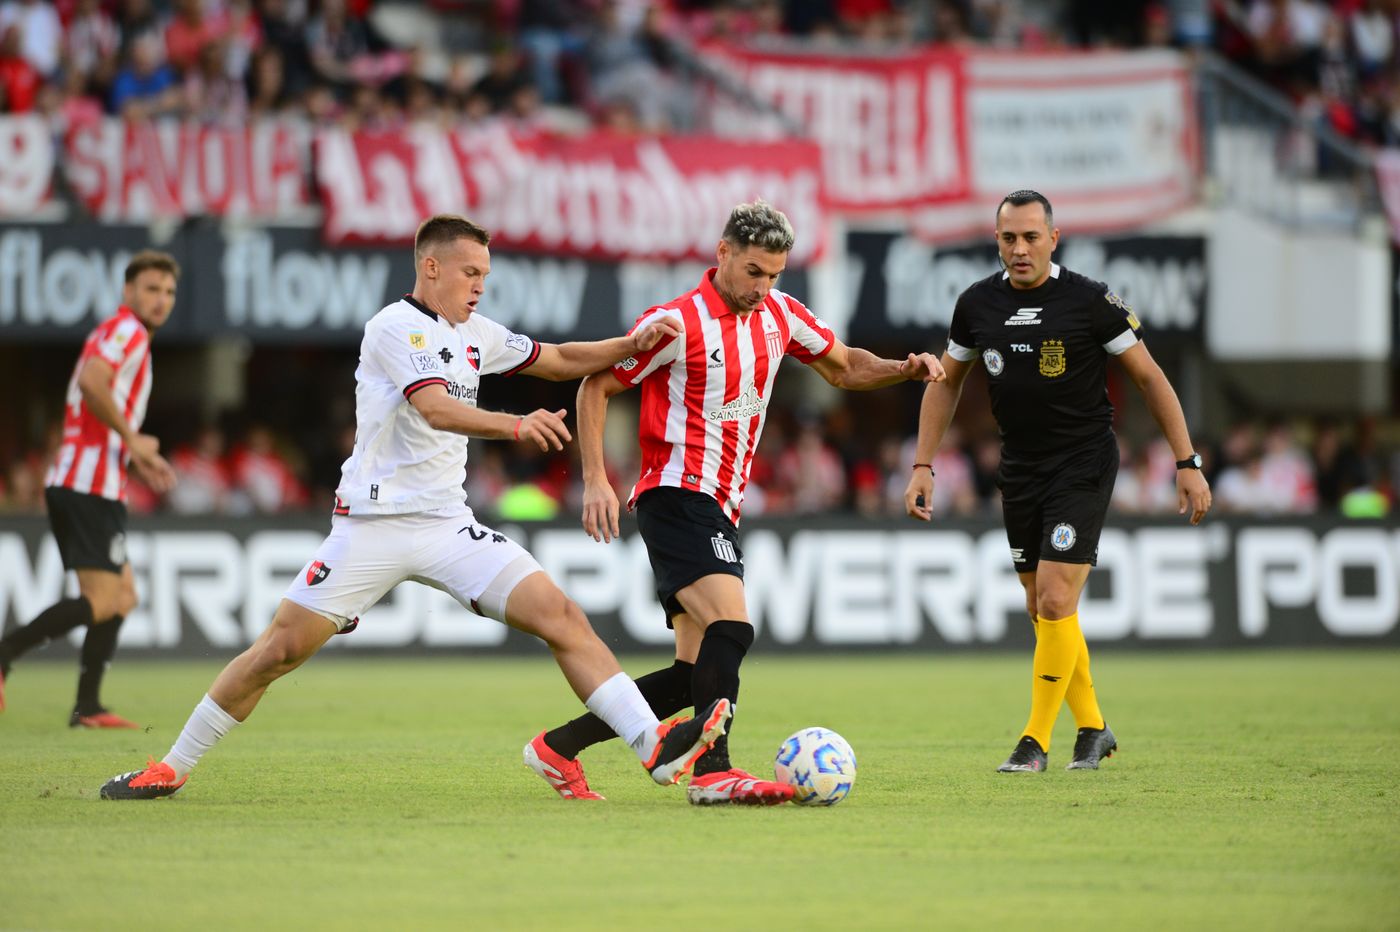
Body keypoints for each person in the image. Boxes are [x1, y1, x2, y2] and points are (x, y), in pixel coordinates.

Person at [99, 214, 729, 800]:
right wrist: (514, 426)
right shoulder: (393, 327)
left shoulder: (477, 333)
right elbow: (434, 407)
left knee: (562, 616)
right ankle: (170, 767)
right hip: (372, 526)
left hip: (447, 525)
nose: (481, 286)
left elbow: (560, 360)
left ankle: (654, 746)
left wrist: (633, 341)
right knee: (277, 653)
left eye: (486, 275)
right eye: (470, 273)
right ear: (432, 268)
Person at [523, 199, 944, 805]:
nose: (763, 286)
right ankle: (713, 771)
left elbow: (846, 366)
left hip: (721, 504)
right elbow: (597, 384)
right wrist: (595, 479)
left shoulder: (781, 313)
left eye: (774, 274)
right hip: (675, 493)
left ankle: (558, 746)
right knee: (734, 624)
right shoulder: (677, 322)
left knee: (694, 674)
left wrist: (902, 368)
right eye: (753, 271)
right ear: (722, 254)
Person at [903, 190, 1213, 773]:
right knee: (1042, 608)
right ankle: (1093, 727)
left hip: (1083, 463)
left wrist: (1187, 462)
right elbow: (947, 383)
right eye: (1008, 238)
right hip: (1020, 468)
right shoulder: (976, 304)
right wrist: (923, 464)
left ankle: (1034, 741)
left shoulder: (1091, 301)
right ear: (997, 241)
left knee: (1053, 597)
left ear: (1053, 237)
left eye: (1030, 237)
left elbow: (1150, 379)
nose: (1019, 249)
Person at [0, 251, 180, 725]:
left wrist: (135, 454)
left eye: (168, 292)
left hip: (94, 479)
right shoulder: (128, 331)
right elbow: (91, 381)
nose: (161, 300)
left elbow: (94, 399)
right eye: (151, 289)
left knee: (123, 596)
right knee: (103, 599)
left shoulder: (118, 333)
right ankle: (5, 653)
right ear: (128, 292)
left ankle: (88, 706)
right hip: (87, 484)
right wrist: (131, 439)